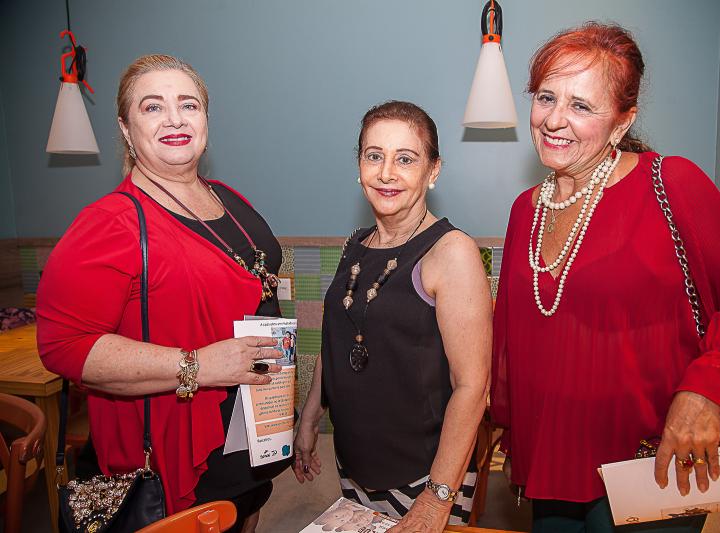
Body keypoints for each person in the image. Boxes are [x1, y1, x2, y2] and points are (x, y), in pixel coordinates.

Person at [490, 23, 720, 532]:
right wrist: (511, 431)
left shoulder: (673, 184)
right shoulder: (526, 209)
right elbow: (516, 338)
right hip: (552, 461)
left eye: (581, 105)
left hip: (652, 465)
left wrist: (706, 390)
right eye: (546, 97)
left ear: (621, 121)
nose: (554, 120)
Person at [36, 54, 290, 533]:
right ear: (126, 129)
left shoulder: (229, 198)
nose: (175, 118)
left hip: (249, 437)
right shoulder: (110, 223)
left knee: (244, 512)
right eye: (153, 107)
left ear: (205, 118)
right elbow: (64, 347)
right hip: (176, 447)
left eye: (188, 105)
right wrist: (199, 365)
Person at [293, 101, 492, 532]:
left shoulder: (451, 252)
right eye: (374, 155)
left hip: (425, 474)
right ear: (359, 165)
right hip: (355, 463)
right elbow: (336, 342)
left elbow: (473, 386)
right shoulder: (356, 244)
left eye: (405, 159)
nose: (387, 173)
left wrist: (436, 500)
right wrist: (309, 418)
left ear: (433, 170)